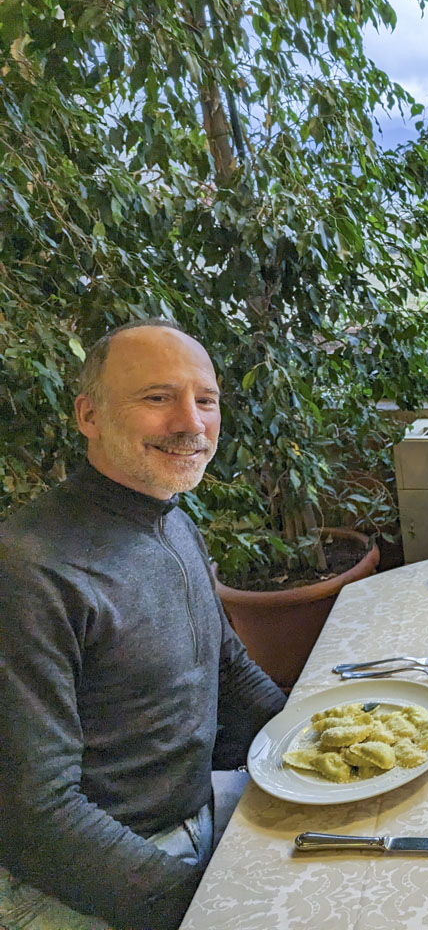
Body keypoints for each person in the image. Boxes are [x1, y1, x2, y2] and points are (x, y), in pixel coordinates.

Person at [0, 319, 287, 930]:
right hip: (96, 877)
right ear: (88, 415)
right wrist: (201, 907)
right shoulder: (28, 571)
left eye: (204, 400)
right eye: (157, 398)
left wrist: (317, 738)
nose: (190, 423)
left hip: (201, 810)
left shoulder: (170, 517)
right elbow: (36, 815)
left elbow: (227, 671)